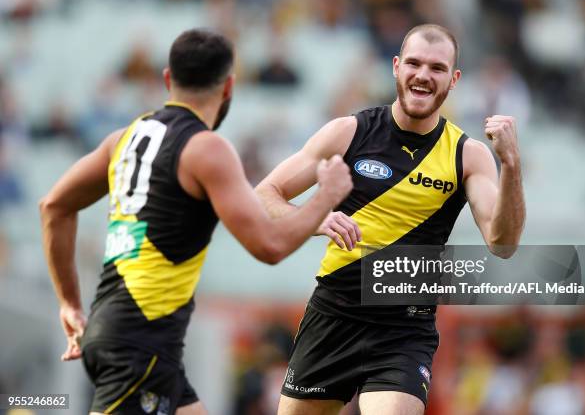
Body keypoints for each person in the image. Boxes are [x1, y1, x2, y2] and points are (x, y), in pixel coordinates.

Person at [39, 28, 353, 415]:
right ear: (229, 87)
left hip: (129, 333)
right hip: (141, 338)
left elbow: (53, 206)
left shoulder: (125, 137)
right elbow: (270, 246)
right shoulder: (206, 148)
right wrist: (327, 196)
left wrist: (69, 303)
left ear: (168, 78)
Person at [255, 23, 526, 415]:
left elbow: (503, 245)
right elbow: (265, 193)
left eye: (436, 68)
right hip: (334, 314)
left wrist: (512, 165)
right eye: (414, 63)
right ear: (396, 67)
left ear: (454, 79)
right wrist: (312, 218)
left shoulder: (468, 155)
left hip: (404, 328)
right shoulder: (349, 132)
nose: (423, 75)